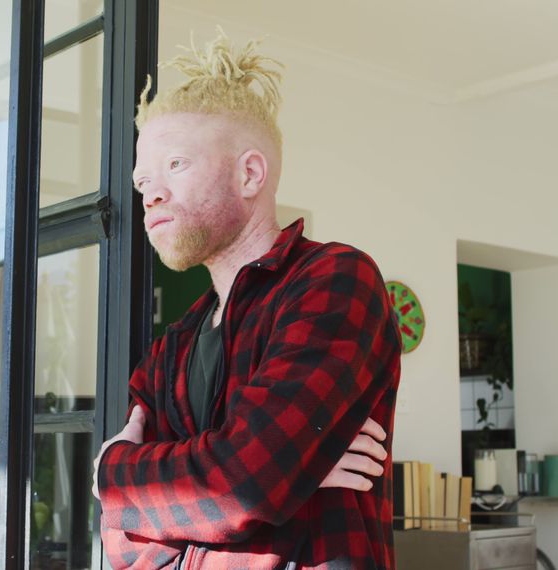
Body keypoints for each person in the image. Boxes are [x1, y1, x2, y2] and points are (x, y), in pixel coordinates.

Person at [92, 29, 402, 569]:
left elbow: (246, 486)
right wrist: (289, 476)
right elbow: (118, 543)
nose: (151, 194)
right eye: (143, 182)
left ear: (250, 173)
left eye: (176, 165)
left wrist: (111, 473)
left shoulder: (334, 279)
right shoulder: (171, 350)